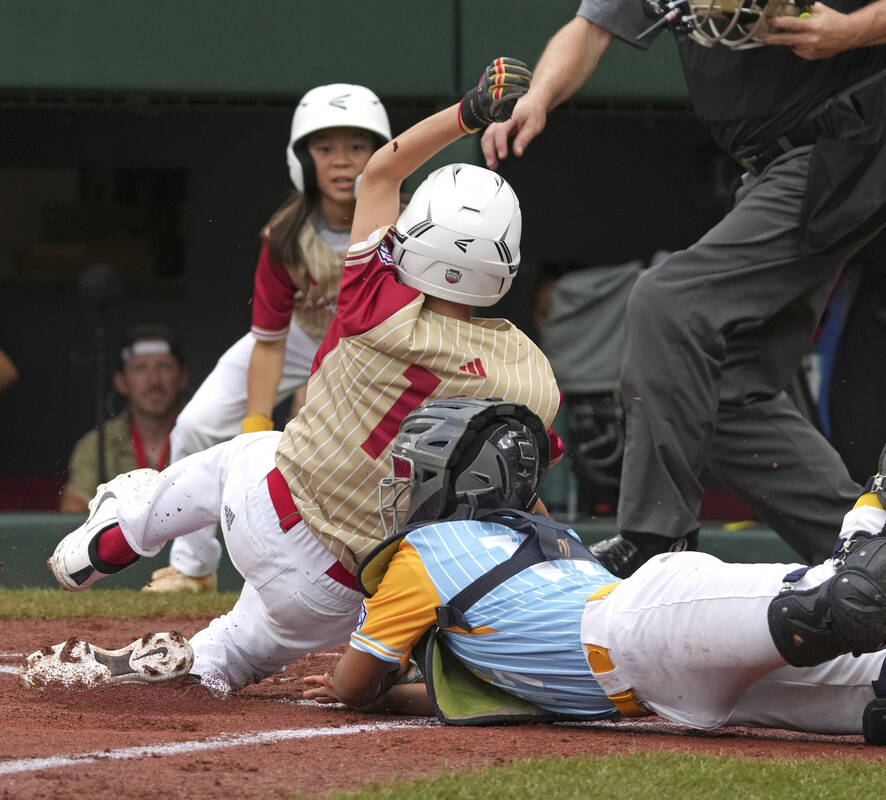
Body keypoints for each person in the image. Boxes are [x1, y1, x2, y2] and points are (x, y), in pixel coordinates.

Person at [293, 327, 886, 749]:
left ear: (464, 481)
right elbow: (492, 685)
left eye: (419, 471)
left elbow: (355, 686)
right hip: (677, 689)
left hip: (650, 629)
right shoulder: (533, 545)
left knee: (862, 596)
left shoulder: (425, 558)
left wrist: (371, 679)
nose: (405, 491)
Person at [33, 58, 554, 695]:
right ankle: (214, 664)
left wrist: (472, 111)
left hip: (266, 504)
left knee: (242, 449)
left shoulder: (374, 304)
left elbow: (382, 170)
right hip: (338, 591)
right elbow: (521, 492)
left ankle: (126, 531)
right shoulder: (533, 377)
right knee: (249, 644)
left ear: (416, 236)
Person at [481, 0, 886, 578]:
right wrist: (537, 99)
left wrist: (848, 29)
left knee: (667, 301)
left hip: (838, 144)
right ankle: (877, 564)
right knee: (728, 390)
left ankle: (654, 535)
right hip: (773, 167)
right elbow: (589, 30)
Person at [145, 83, 393, 593]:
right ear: (302, 159)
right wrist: (255, 425)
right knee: (193, 426)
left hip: (374, 352)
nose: (342, 161)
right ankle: (194, 567)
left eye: (357, 147)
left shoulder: (406, 222)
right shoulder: (284, 234)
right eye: (325, 148)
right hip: (300, 339)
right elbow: (271, 339)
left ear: (382, 153)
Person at [60, 325, 188, 513]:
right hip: (122, 542)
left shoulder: (208, 435)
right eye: (140, 368)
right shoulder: (98, 443)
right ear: (121, 382)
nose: (154, 381)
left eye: (164, 367)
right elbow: (73, 505)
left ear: (182, 378)